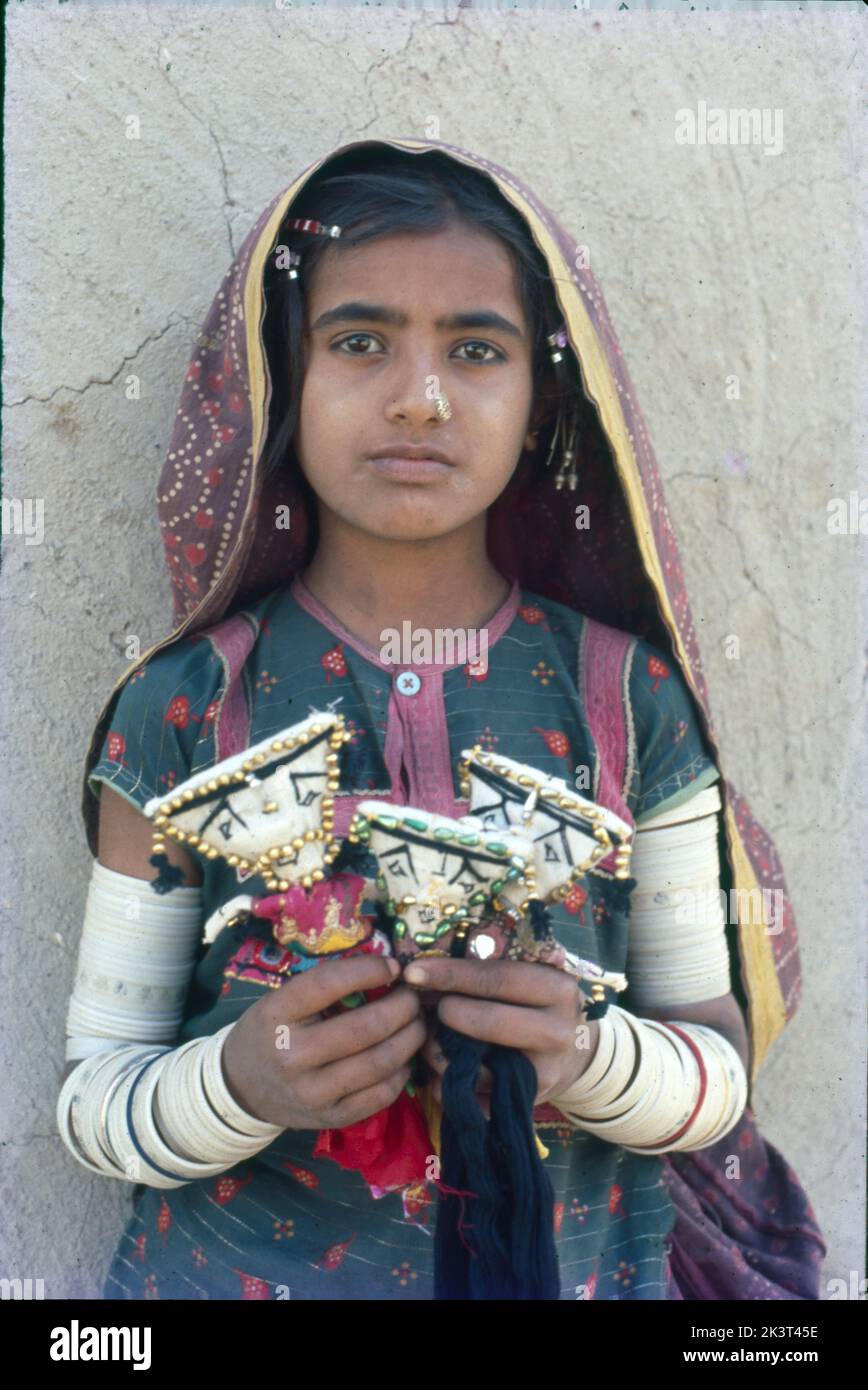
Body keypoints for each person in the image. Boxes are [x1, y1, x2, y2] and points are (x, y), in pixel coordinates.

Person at [60, 137, 825, 1301]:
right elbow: (96, 1100)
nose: (418, 396)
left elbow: (716, 1068)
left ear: (539, 402)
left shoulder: (629, 702)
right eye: (358, 341)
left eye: (476, 349)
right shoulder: (186, 707)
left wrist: (584, 1054)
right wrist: (240, 1085)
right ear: (283, 378)